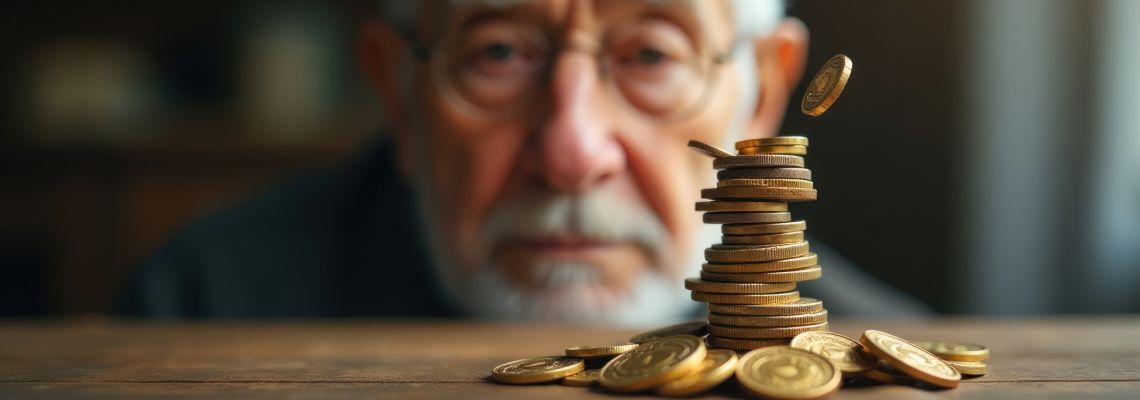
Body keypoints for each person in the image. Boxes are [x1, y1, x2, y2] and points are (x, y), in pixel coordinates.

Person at [118, 0, 929, 324]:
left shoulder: (881, 364)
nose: (572, 153)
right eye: (499, 53)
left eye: (651, 55)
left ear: (761, 97)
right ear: (399, 94)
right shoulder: (194, 311)